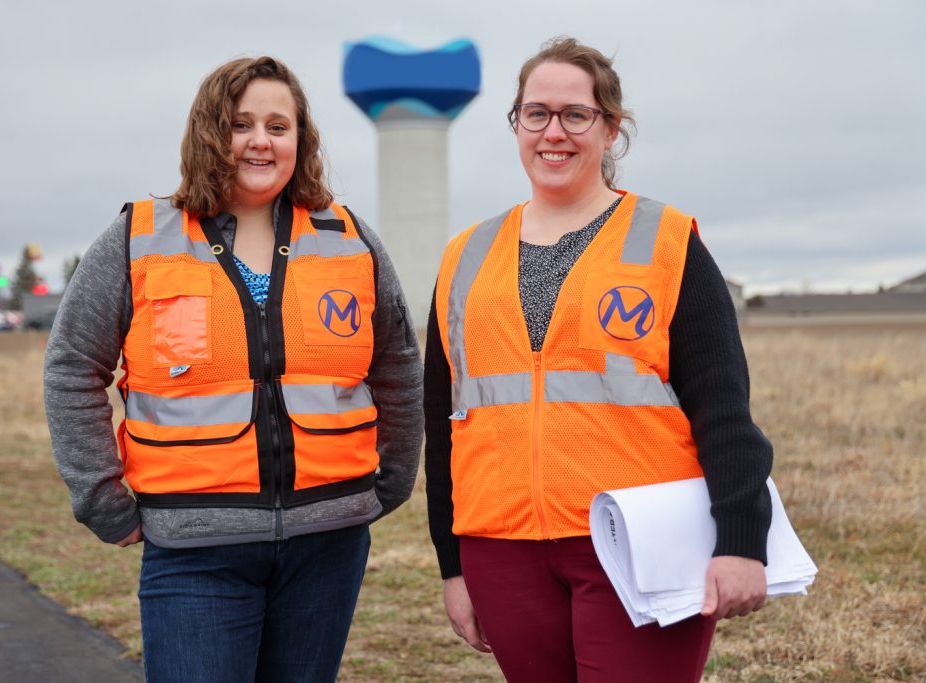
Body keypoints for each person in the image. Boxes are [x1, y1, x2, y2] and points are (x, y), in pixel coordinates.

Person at [44, 55, 423, 683]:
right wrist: (102, 499)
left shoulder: (349, 237)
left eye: (279, 125)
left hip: (329, 544)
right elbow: (71, 369)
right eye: (240, 123)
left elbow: (399, 367)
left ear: (301, 139)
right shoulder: (139, 236)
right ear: (208, 133)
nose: (260, 141)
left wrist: (393, 480)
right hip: (196, 551)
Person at [423, 37, 773, 682]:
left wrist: (741, 542)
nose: (553, 132)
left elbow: (724, 408)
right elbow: (443, 426)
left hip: (642, 541)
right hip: (501, 548)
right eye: (536, 114)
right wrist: (453, 565)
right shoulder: (463, 257)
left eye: (575, 114)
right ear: (517, 124)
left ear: (610, 128)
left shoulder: (665, 241)